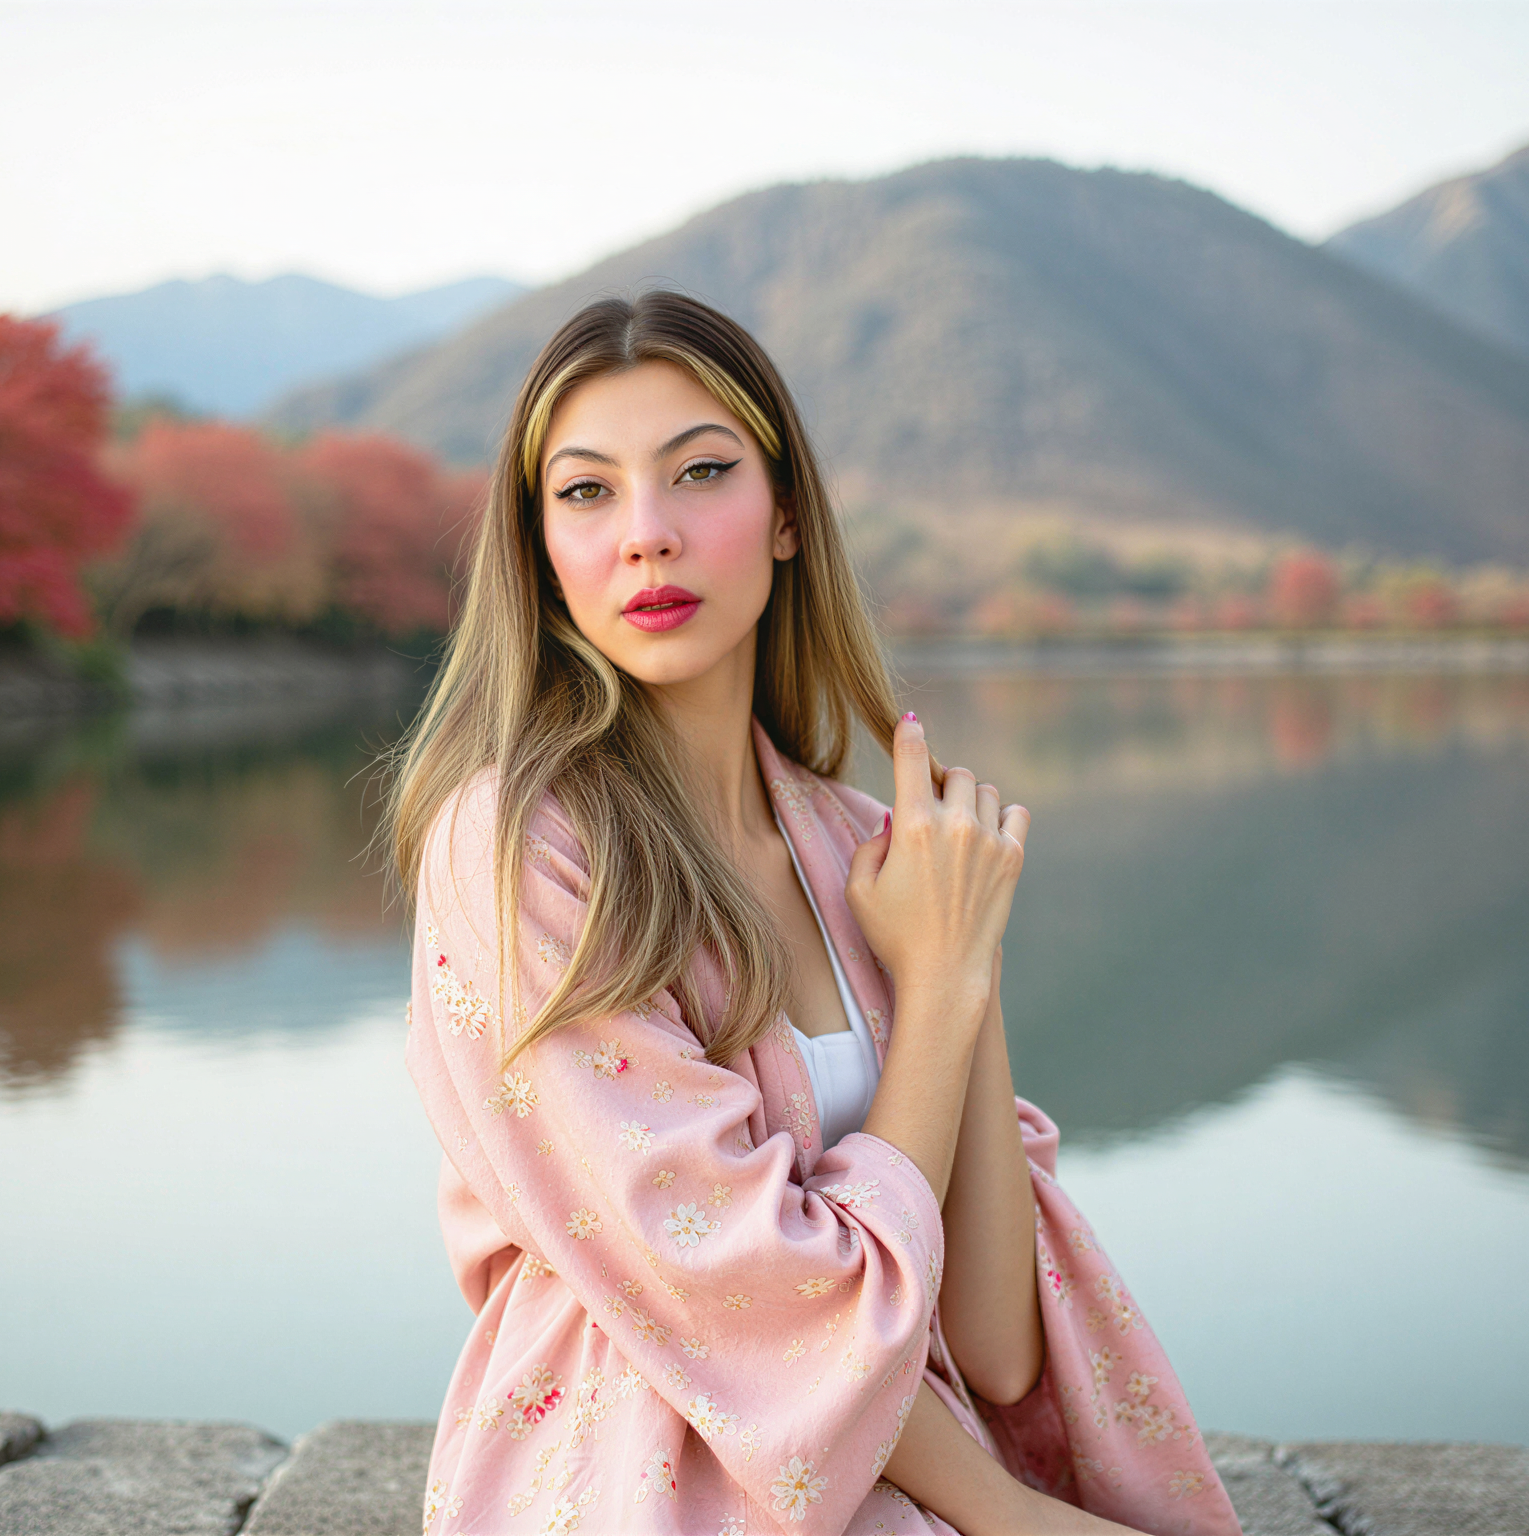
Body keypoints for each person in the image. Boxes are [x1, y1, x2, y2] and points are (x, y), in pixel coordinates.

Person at [385, 290, 1240, 1536]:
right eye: (586, 493)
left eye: (700, 474)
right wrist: (1010, 1516)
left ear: (785, 516)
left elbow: (995, 1347)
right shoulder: (518, 847)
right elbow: (740, 1300)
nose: (647, 537)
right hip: (634, 1473)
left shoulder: (853, 845)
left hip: (903, 1458)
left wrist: (957, 971)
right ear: (539, 549)